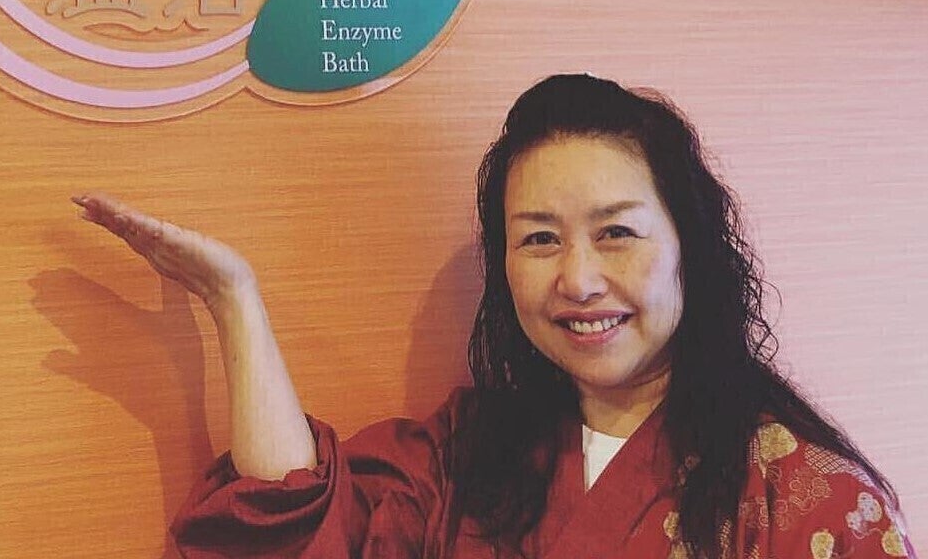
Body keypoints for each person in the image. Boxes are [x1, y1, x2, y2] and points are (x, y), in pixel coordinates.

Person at [74, 74, 916, 559]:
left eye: (616, 233)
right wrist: (234, 302)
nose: (577, 280)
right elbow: (289, 528)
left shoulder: (809, 497)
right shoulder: (467, 455)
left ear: (688, 245)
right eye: (539, 239)